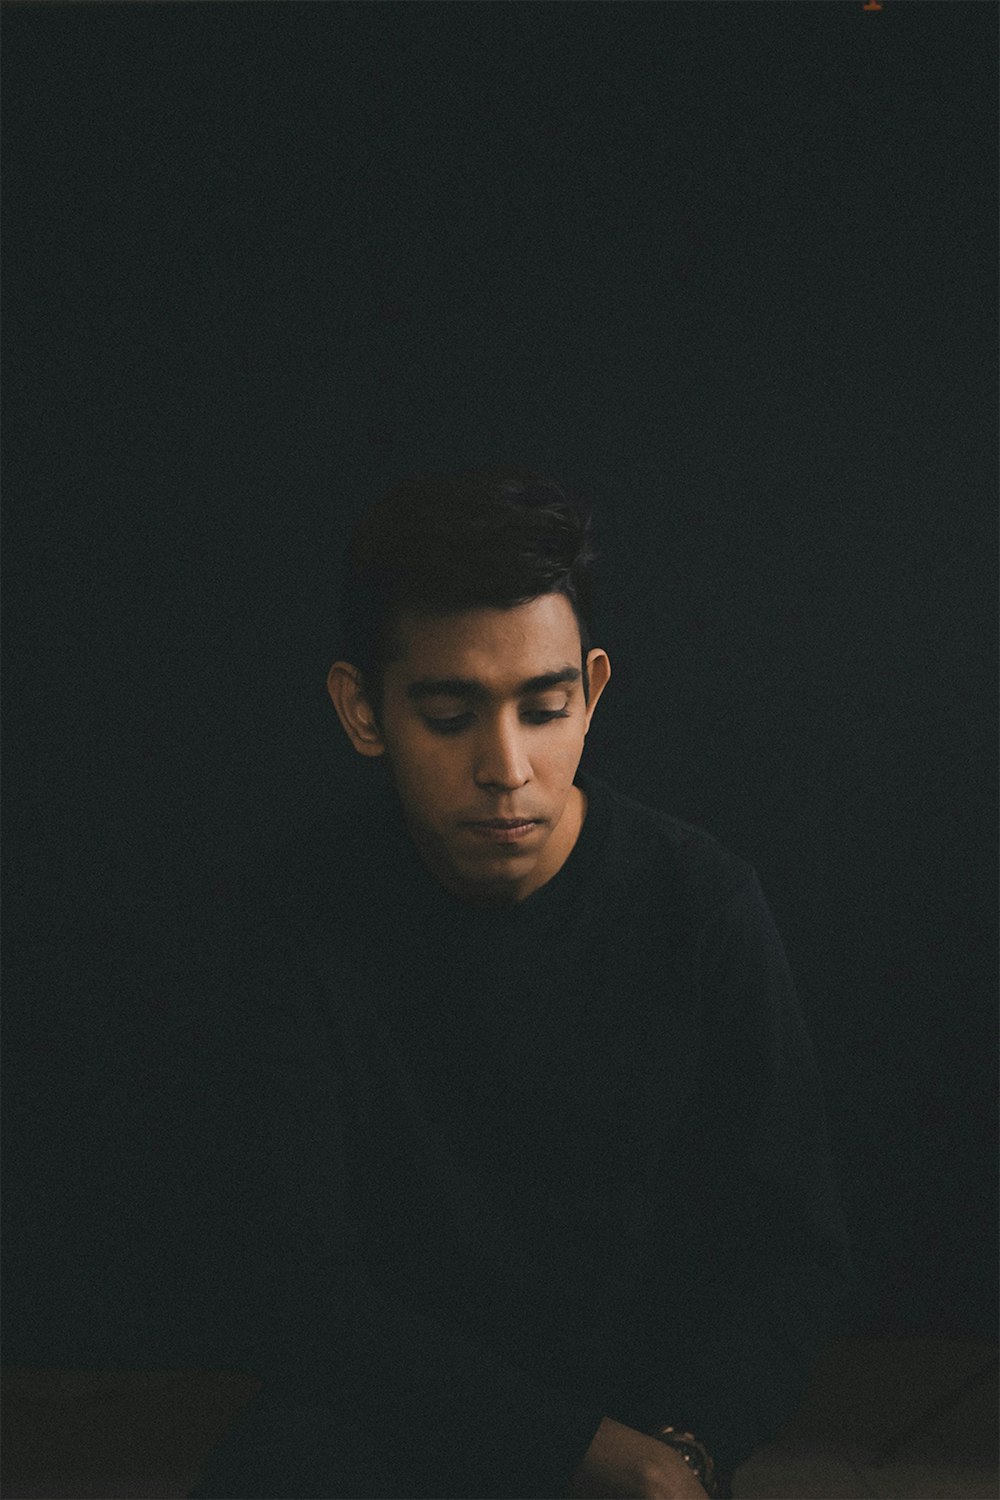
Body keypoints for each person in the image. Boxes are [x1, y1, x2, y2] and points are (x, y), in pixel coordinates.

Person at [188, 468, 853, 1500]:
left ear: (589, 692)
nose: (506, 766)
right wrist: (571, 1448)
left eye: (543, 709)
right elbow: (288, 1284)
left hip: (647, 1424)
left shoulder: (700, 905)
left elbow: (787, 1252)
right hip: (385, 1412)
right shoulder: (294, 918)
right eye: (450, 715)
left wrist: (683, 1449)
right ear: (362, 710)